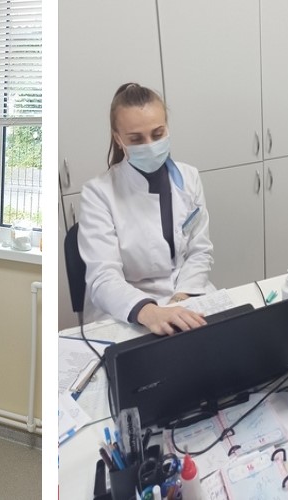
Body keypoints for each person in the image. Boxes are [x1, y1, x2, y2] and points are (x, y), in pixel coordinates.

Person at [78, 83, 216, 336]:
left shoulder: (189, 178)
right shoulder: (98, 193)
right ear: (118, 139)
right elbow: (103, 277)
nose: (150, 145)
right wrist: (151, 312)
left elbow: (200, 251)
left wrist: (180, 299)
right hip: (127, 310)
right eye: (136, 139)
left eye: (157, 133)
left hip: (185, 293)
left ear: (167, 129)